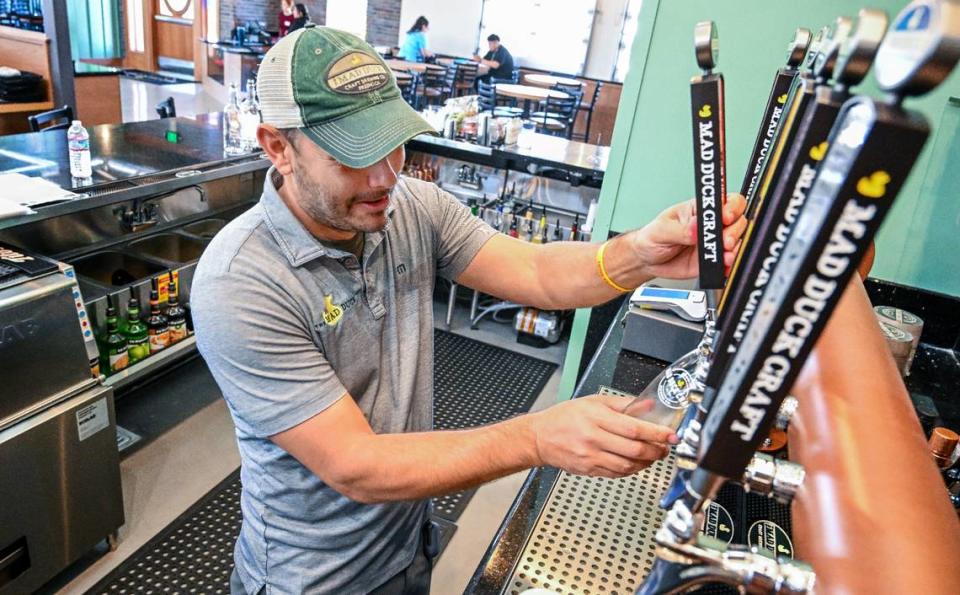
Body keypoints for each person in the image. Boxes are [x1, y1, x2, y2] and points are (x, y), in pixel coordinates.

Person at [191, 25, 747, 595]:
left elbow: (535, 272)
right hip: (311, 578)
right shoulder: (241, 283)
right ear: (278, 147)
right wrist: (536, 439)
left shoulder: (411, 208)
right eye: (353, 157)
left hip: (408, 543)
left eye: (392, 143)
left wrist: (641, 255)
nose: (387, 175)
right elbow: (355, 464)